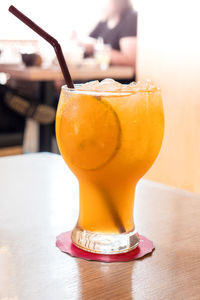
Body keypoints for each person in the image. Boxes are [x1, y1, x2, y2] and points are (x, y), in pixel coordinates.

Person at [79, 0, 137, 68]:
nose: (101, 5)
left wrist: (96, 47)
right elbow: (89, 42)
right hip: (102, 72)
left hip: (120, 76)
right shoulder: (103, 22)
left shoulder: (131, 18)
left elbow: (130, 60)